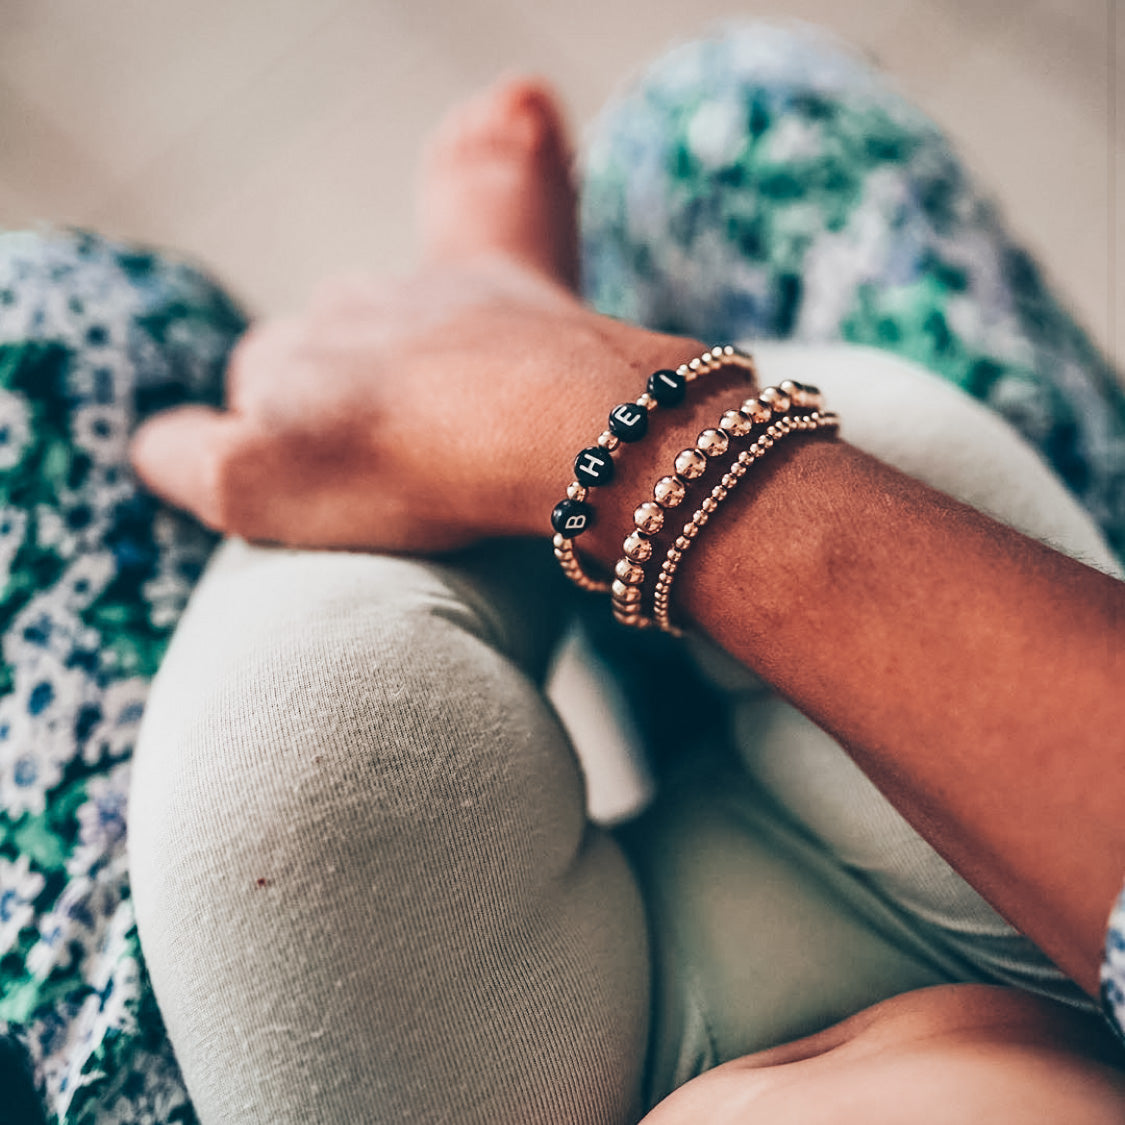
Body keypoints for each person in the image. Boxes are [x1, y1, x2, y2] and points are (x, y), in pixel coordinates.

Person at [0, 21, 1122, 1124]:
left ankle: (467, 410)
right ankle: (509, 370)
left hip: (493, 1087)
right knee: (739, 149)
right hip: (1046, 952)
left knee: (291, 784)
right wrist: (592, 423)